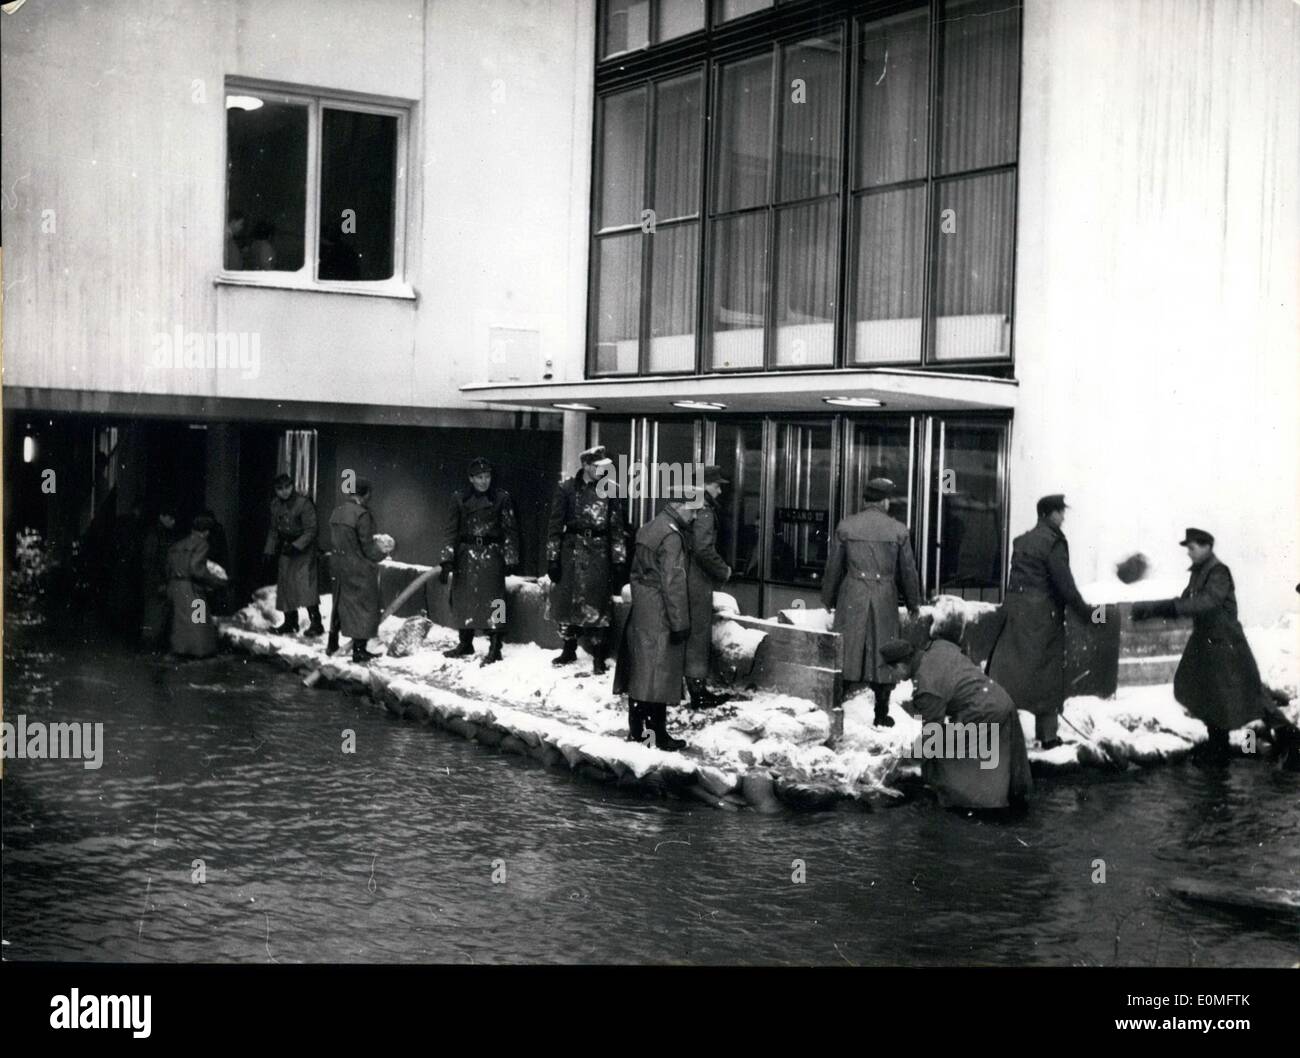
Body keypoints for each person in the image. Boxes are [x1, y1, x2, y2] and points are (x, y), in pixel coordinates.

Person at [1131, 528, 1297, 762]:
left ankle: (1291, 739)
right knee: (1201, 689)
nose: (1189, 553)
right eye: (1188, 548)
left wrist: (1165, 609)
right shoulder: (1199, 573)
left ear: (1207, 546)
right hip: (1206, 642)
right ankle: (1218, 743)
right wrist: (1152, 609)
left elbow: (1206, 602)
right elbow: (1186, 600)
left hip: (1227, 643)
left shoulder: (1218, 571)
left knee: (1248, 694)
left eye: (1192, 548)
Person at [882, 613, 1033, 810]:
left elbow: (932, 735)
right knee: (991, 756)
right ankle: (1009, 798)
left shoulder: (926, 686)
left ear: (902, 665)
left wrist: (903, 762)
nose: (892, 676)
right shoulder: (935, 649)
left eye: (892, 670)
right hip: (999, 699)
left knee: (954, 756)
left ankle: (974, 803)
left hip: (982, 711)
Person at [988, 494, 1094, 749]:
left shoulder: (1021, 541)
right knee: (1047, 675)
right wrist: (1091, 614)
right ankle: (1048, 737)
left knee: (1009, 674)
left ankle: (998, 732)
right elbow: (1065, 586)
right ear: (1048, 514)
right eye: (1060, 512)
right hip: (1043, 616)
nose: (1063, 517)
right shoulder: (1053, 542)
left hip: (1015, 613)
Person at [821, 477, 922, 727]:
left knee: (847, 650)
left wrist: (828, 598)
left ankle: (835, 709)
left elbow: (834, 567)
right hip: (884, 594)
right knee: (884, 651)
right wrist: (913, 603)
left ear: (865, 500)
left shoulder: (846, 526)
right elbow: (908, 571)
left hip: (852, 593)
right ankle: (880, 713)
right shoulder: (898, 530)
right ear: (885, 501)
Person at [612, 496, 697, 750]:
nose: (693, 517)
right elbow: (673, 583)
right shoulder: (671, 537)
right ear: (679, 506)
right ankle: (657, 735)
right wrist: (680, 622)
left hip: (643, 608)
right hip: (661, 611)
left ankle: (637, 730)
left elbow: (636, 573)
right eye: (692, 511)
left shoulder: (648, 527)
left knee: (641, 671)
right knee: (658, 674)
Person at [546, 445, 627, 674]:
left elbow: (617, 528)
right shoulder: (567, 488)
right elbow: (554, 525)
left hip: (599, 553)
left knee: (598, 603)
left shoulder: (611, 490)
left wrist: (619, 559)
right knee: (567, 600)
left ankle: (598, 656)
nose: (601, 470)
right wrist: (553, 558)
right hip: (571, 551)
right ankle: (568, 648)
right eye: (596, 466)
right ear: (585, 465)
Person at [439, 457, 521, 665]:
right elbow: (450, 531)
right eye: (480, 477)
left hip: (491, 555)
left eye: (488, 477)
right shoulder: (459, 499)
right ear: (471, 479)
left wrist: (511, 557)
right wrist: (447, 558)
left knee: (496, 600)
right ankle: (465, 643)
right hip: (466, 556)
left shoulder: (502, 499)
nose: (485, 481)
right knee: (463, 598)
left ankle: (496, 646)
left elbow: (510, 530)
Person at [684, 465, 733, 708]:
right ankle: (698, 691)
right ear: (705, 485)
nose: (720, 491)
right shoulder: (704, 510)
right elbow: (703, 549)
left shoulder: (689, 504)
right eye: (717, 485)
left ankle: (690, 687)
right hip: (696, 579)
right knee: (698, 633)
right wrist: (723, 570)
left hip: (682, 575)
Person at [328, 477, 389, 665]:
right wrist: (384, 551)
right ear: (365, 495)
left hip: (339, 565)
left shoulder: (338, 512)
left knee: (339, 604)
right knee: (363, 607)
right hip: (358, 567)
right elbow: (368, 547)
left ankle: (332, 643)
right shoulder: (362, 515)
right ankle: (359, 650)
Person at [263, 474, 323, 636]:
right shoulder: (275, 505)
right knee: (285, 586)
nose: (284, 492)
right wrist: (269, 550)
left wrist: (297, 546)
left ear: (292, 486)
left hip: (303, 549)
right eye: (279, 489)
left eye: (287, 487)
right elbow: (274, 530)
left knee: (306, 586)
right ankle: (290, 622)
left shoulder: (303, 504)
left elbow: (311, 530)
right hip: (286, 547)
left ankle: (316, 624)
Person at [166, 514, 223, 658]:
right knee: (199, 620)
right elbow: (197, 569)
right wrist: (215, 581)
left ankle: (180, 650)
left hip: (175, 586)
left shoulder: (177, 544)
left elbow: (168, 566)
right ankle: (199, 652)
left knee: (180, 621)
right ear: (206, 532)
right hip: (191, 587)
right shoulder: (202, 544)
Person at [140, 506, 180, 649]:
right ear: (162, 516)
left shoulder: (162, 534)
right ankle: (149, 646)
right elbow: (150, 561)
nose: (173, 522)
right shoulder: (155, 535)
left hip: (162, 581)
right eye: (171, 518)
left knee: (158, 616)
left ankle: (152, 646)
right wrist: (159, 581)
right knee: (154, 616)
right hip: (156, 582)